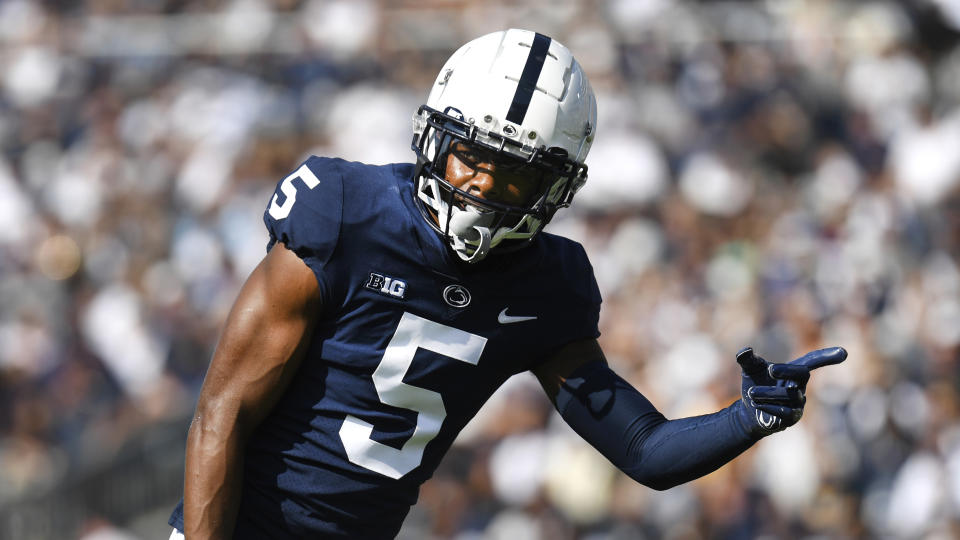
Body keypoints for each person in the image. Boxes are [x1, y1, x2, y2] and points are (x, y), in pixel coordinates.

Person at [167, 28, 846, 539]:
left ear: (555, 189)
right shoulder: (345, 213)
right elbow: (222, 413)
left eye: (514, 174)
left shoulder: (549, 286)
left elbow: (645, 450)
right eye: (471, 157)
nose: (485, 188)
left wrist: (749, 418)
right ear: (434, 134)